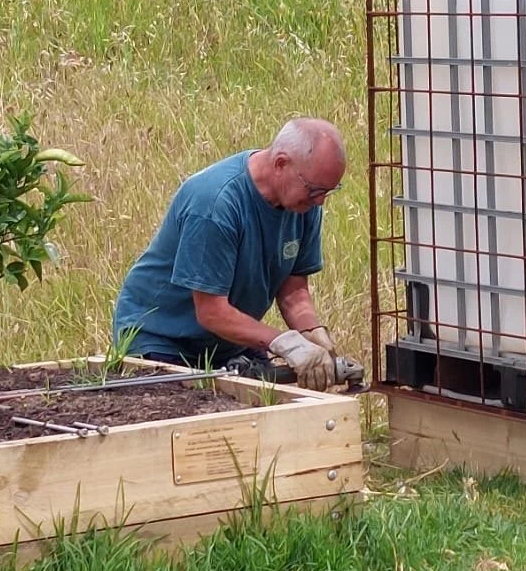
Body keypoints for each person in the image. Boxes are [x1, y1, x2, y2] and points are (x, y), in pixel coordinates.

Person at [112, 118, 350, 390]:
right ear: (281, 164)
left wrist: (311, 334)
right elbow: (211, 312)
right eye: (315, 190)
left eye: (328, 192)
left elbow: (293, 291)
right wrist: (285, 342)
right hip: (162, 339)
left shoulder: (304, 204)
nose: (319, 201)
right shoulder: (215, 204)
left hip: (226, 342)